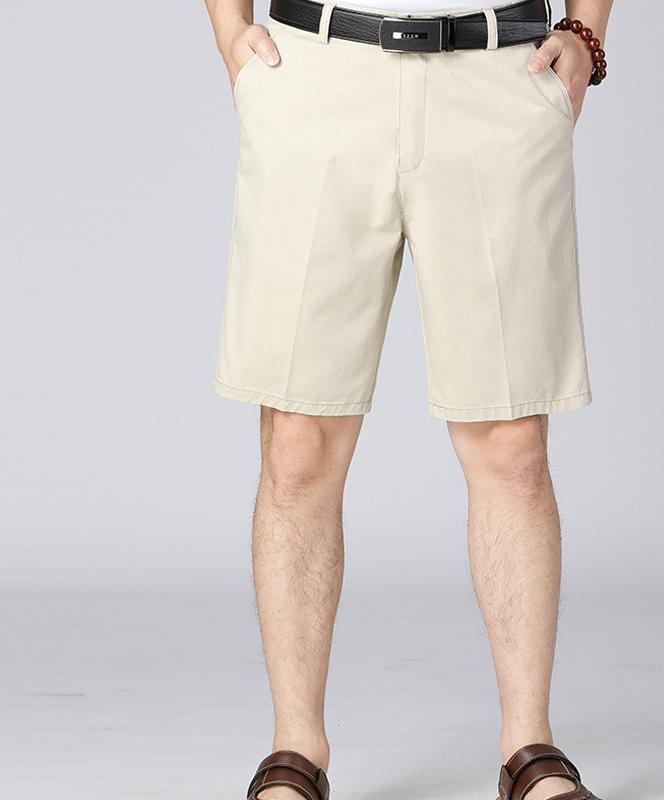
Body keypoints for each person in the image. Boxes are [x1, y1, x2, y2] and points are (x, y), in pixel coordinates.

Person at [204, 0, 613, 797]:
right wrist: (230, 34)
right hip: (316, 71)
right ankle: (296, 749)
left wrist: (585, 33)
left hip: (499, 73)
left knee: (511, 442)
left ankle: (529, 748)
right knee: (298, 443)